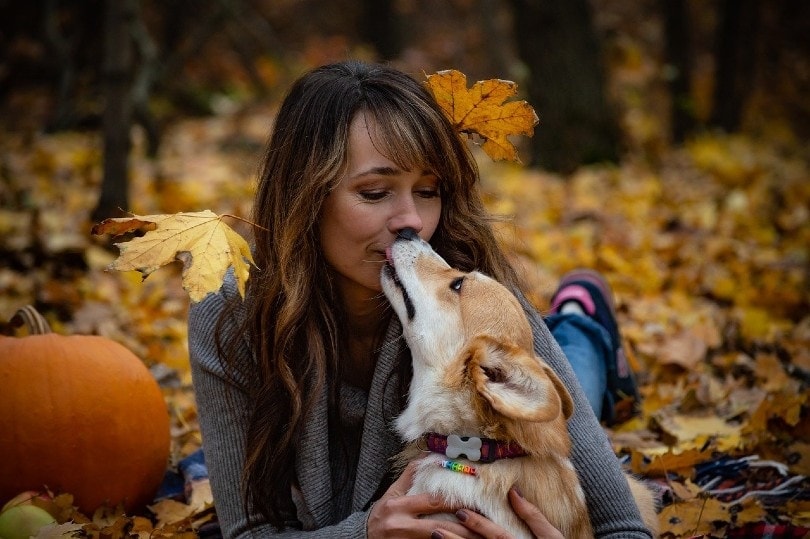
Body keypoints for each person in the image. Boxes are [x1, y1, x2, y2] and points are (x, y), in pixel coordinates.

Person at [188, 60, 651, 538]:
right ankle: (576, 326)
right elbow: (248, 533)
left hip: (510, 392)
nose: (411, 220)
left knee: (560, 398)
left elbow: (623, 526)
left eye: (428, 190)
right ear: (306, 197)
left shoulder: (461, 288)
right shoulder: (233, 311)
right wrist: (363, 534)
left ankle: (579, 325)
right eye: (374, 192)